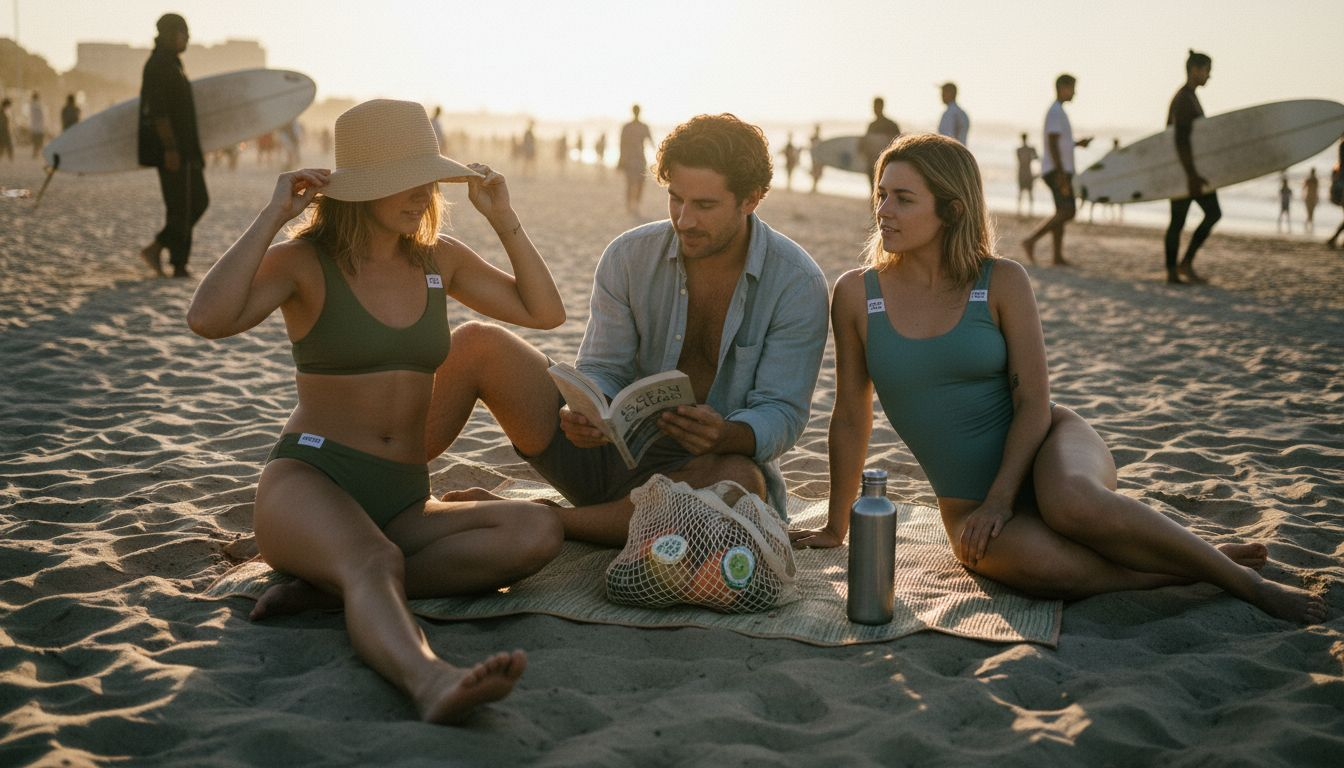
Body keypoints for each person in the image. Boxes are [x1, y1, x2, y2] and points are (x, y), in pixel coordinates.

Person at [790, 133, 1326, 626]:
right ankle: (1187, 566)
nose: (883, 211)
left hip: (1050, 445)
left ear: (952, 209)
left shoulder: (1001, 281)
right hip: (966, 502)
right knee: (1044, 570)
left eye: (903, 199)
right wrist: (837, 527)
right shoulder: (857, 294)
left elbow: (1033, 402)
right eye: (881, 194)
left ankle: (1245, 583)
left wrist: (1002, 499)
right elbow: (851, 415)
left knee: (1072, 504)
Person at [185, 99, 567, 724]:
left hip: (402, 496)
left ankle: (329, 589)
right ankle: (429, 679)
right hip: (312, 480)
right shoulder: (304, 262)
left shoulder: (439, 258)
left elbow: (543, 312)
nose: (422, 194)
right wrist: (272, 216)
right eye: (405, 181)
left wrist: (503, 219)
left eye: (428, 180)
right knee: (376, 559)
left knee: (537, 532)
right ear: (361, 188)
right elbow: (208, 318)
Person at [425, 113, 830, 545]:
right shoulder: (628, 256)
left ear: (751, 199)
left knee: (738, 485)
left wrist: (726, 434)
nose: (684, 219)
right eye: (675, 198)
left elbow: (782, 411)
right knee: (477, 344)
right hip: (604, 455)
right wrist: (588, 411)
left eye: (705, 206)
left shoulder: (796, 282)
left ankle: (549, 519)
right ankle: (390, 490)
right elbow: (603, 366)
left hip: (698, 471)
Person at [137, 13, 208, 279]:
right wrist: (170, 148)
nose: (188, 37)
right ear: (170, 34)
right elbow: (158, 112)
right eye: (183, 32)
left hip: (185, 149)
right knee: (183, 205)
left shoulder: (172, 63)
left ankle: (160, 250)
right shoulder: (158, 65)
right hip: (173, 151)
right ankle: (176, 262)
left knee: (194, 201)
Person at [1022, 74, 1092, 266]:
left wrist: (1077, 144)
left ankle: (1057, 256)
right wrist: (1060, 173)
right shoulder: (1055, 112)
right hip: (1056, 170)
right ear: (1063, 87)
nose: (1075, 93)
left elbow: (1060, 142)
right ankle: (1031, 240)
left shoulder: (1059, 111)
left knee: (1061, 210)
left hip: (1059, 168)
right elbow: (1052, 143)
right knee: (1068, 210)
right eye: (1073, 88)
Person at [1164, 50, 1220, 284]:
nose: (1209, 75)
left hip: (1187, 169)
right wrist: (1192, 175)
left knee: (1182, 220)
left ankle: (1180, 266)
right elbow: (1181, 140)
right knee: (1190, 218)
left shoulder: (1189, 96)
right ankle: (1176, 269)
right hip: (1184, 171)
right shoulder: (1184, 100)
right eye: (1207, 70)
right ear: (1195, 70)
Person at [618, 104, 654, 215]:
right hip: (634, 159)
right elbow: (622, 144)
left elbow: (622, 144)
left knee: (637, 183)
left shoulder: (634, 126)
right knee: (633, 183)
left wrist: (621, 159)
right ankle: (632, 204)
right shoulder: (635, 126)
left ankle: (634, 204)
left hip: (637, 158)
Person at [860, 97, 901, 185]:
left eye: (876, 106)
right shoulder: (872, 125)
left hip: (886, 165)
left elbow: (899, 144)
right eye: (874, 106)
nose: (874, 109)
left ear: (882, 106)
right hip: (873, 165)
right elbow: (866, 144)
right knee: (874, 190)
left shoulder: (891, 125)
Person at [1015, 132, 1038, 217]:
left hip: (1022, 171)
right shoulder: (1029, 149)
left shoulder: (1019, 150)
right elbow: (1036, 157)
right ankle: (1029, 211)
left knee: (1022, 192)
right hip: (1027, 171)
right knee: (1029, 192)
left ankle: (1020, 210)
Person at [28, 91, 45, 159]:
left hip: (34, 127)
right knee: (39, 142)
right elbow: (41, 116)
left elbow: (32, 116)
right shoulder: (39, 105)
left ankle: (35, 153)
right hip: (39, 127)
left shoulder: (32, 105)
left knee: (36, 142)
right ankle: (36, 154)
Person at [809, 123, 824, 193]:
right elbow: (811, 146)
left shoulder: (819, 139)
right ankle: (814, 187)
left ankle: (815, 187)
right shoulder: (814, 138)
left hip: (818, 158)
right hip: (815, 158)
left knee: (817, 173)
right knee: (814, 172)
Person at [1302, 168, 1318, 234]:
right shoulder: (1315, 180)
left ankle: (1308, 226)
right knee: (1311, 213)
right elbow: (1317, 190)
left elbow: (1303, 188)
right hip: (1312, 198)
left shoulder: (1309, 179)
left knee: (1310, 213)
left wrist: (1303, 196)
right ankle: (1309, 227)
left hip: (1309, 197)